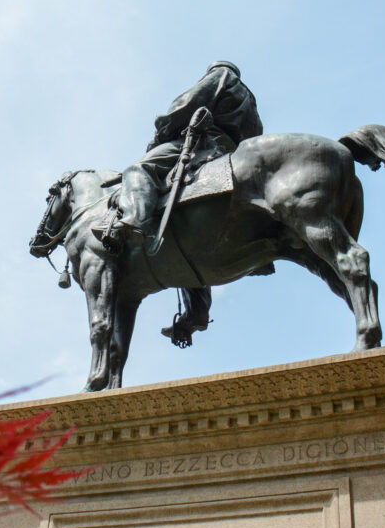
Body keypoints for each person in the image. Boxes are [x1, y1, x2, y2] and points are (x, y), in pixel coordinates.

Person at [94, 61, 264, 345]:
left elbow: (184, 106)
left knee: (139, 169)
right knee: (187, 245)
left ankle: (134, 222)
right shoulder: (251, 102)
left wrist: (161, 134)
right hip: (231, 155)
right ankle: (196, 311)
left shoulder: (220, 76)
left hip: (203, 147)